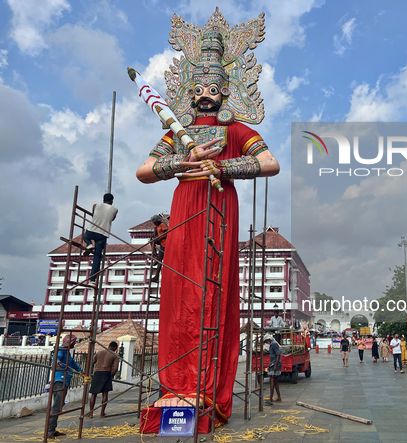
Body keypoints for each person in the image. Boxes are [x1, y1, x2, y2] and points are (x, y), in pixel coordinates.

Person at [135, 10, 279, 431]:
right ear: (187, 90)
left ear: (225, 92)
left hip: (219, 205)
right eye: (198, 88)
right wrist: (181, 161)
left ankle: (206, 385)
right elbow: (144, 171)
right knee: (180, 288)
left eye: (212, 89)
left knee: (212, 287)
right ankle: (176, 383)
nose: (204, 95)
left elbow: (268, 163)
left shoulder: (236, 130)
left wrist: (225, 168)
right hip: (185, 204)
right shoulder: (175, 131)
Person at [47, 335, 82, 439]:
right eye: (74, 343)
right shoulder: (61, 349)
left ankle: (52, 429)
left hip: (65, 381)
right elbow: (57, 356)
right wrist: (57, 361)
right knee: (57, 406)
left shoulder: (68, 353)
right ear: (71, 343)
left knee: (59, 405)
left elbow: (73, 364)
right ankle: (50, 431)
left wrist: (80, 371)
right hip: (60, 381)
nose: (74, 344)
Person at [82, 193, 118, 282]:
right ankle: (92, 280)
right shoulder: (115, 210)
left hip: (92, 232)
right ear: (112, 201)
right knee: (97, 257)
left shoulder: (95, 206)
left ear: (103, 200)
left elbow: (94, 215)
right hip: (102, 235)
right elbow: (112, 219)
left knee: (85, 235)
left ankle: (89, 244)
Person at [88, 341, 119, 418]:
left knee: (93, 394)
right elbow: (115, 368)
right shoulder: (115, 355)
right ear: (115, 348)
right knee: (105, 394)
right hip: (106, 374)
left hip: (97, 373)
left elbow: (91, 362)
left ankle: (91, 413)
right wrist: (112, 376)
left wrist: (91, 372)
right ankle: (102, 413)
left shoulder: (99, 353)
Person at [263, 334, 282, 405]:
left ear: (268, 340)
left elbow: (278, 355)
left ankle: (271, 398)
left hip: (274, 364)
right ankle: (278, 397)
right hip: (273, 364)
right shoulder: (272, 344)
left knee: (272, 380)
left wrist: (275, 366)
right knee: (275, 381)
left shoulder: (274, 344)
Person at [149, 214, 168, 283]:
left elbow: (168, 234)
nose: (154, 223)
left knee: (160, 260)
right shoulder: (157, 225)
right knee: (152, 241)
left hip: (165, 243)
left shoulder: (163, 225)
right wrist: (152, 236)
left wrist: (160, 238)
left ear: (157, 221)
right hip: (161, 242)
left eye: (154, 222)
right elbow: (156, 232)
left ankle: (156, 277)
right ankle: (155, 254)